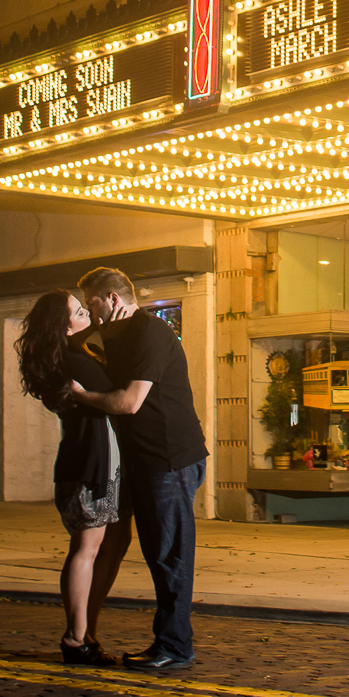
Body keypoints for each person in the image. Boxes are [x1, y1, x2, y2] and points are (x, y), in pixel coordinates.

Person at [68, 268, 207, 672]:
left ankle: (175, 647)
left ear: (112, 299)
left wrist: (81, 395)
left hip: (169, 459)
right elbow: (78, 342)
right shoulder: (114, 334)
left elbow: (129, 403)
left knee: (170, 556)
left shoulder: (150, 332)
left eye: (91, 305)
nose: (90, 315)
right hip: (144, 459)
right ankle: (159, 642)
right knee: (154, 552)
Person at [16, 290, 134, 666]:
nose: (89, 315)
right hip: (90, 470)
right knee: (87, 549)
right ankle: (76, 638)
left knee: (105, 544)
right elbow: (122, 392)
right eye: (81, 312)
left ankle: (84, 633)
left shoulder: (68, 359)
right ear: (64, 324)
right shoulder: (75, 362)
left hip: (91, 467)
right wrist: (113, 329)